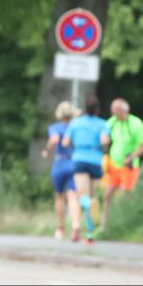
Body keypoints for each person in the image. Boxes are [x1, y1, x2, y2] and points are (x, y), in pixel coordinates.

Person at [62, 96, 110, 244]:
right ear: (98, 109)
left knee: (82, 197)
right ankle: (90, 233)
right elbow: (105, 142)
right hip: (96, 161)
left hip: (80, 159)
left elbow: (65, 143)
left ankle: (78, 227)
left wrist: (77, 146)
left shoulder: (76, 123)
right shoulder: (103, 124)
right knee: (91, 196)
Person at [102, 98, 143, 229]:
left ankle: (127, 224)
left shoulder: (135, 123)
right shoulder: (113, 121)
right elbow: (104, 131)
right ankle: (104, 225)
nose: (113, 113)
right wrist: (104, 138)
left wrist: (131, 158)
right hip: (114, 165)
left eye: (115, 110)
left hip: (129, 166)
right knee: (107, 194)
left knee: (126, 195)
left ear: (123, 110)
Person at [41, 101, 79, 240]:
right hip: (74, 162)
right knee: (73, 196)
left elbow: (55, 139)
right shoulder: (75, 127)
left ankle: (60, 229)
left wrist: (46, 150)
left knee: (59, 196)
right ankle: (75, 226)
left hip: (60, 162)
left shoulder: (55, 127)